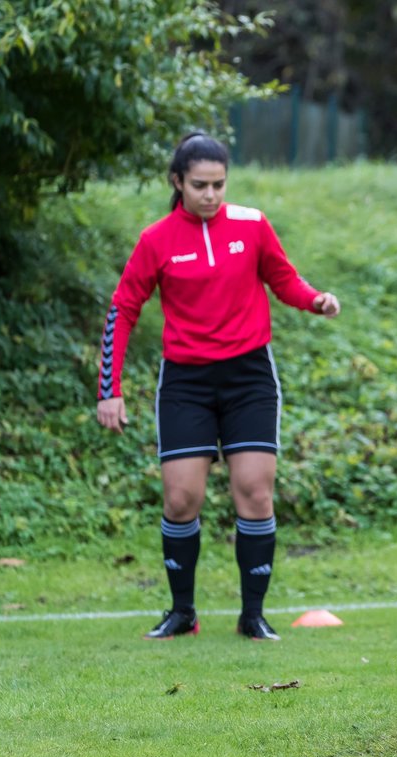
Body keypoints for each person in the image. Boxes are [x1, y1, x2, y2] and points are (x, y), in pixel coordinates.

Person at [96, 132, 340, 642]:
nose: (210, 194)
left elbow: (284, 279)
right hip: (185, 381)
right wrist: (109, 388)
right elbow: (124, 308)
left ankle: (253, 616)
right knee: (182, 499)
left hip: (249, 377)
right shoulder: (156, 239)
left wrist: (314, 300)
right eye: (200, 185)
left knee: (254, 491)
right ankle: (182, 613)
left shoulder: (251, 225)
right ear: (178, 182)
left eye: (219, 185)